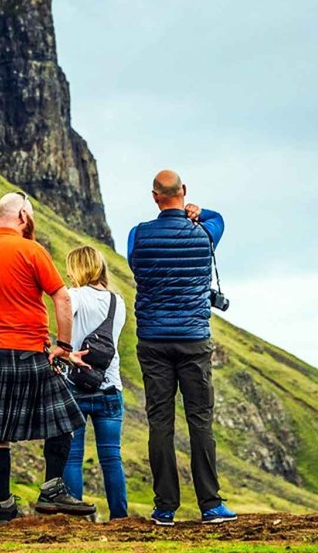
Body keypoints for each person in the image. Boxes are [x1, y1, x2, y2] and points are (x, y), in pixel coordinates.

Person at [0, 192, 95, 525]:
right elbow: (61, 297)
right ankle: (51, 489)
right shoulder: (32, 251)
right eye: (30, 215)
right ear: (22, 216)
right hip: (28, 350)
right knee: (65, 419)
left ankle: (4, 505)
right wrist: (63, 344)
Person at [127, 169, 236, 525]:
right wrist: (197, 211)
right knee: (200, 420)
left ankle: (165, 507)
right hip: (193, 339)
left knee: (161, 422)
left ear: (155, 196)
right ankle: (210, 504)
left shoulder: (138, 235)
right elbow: (218, 218)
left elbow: (133, 263)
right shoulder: (204, 234)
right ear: (183, 191)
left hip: (154, 340)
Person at [60, 245, 128, 520]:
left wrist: (64, 348)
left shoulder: (73, 296)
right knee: (112, 458)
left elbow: (65, 312)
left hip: (75, 386)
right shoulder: (117, 301)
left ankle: (76, 520)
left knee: (72, 457)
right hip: (109, 385)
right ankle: (120, 518)